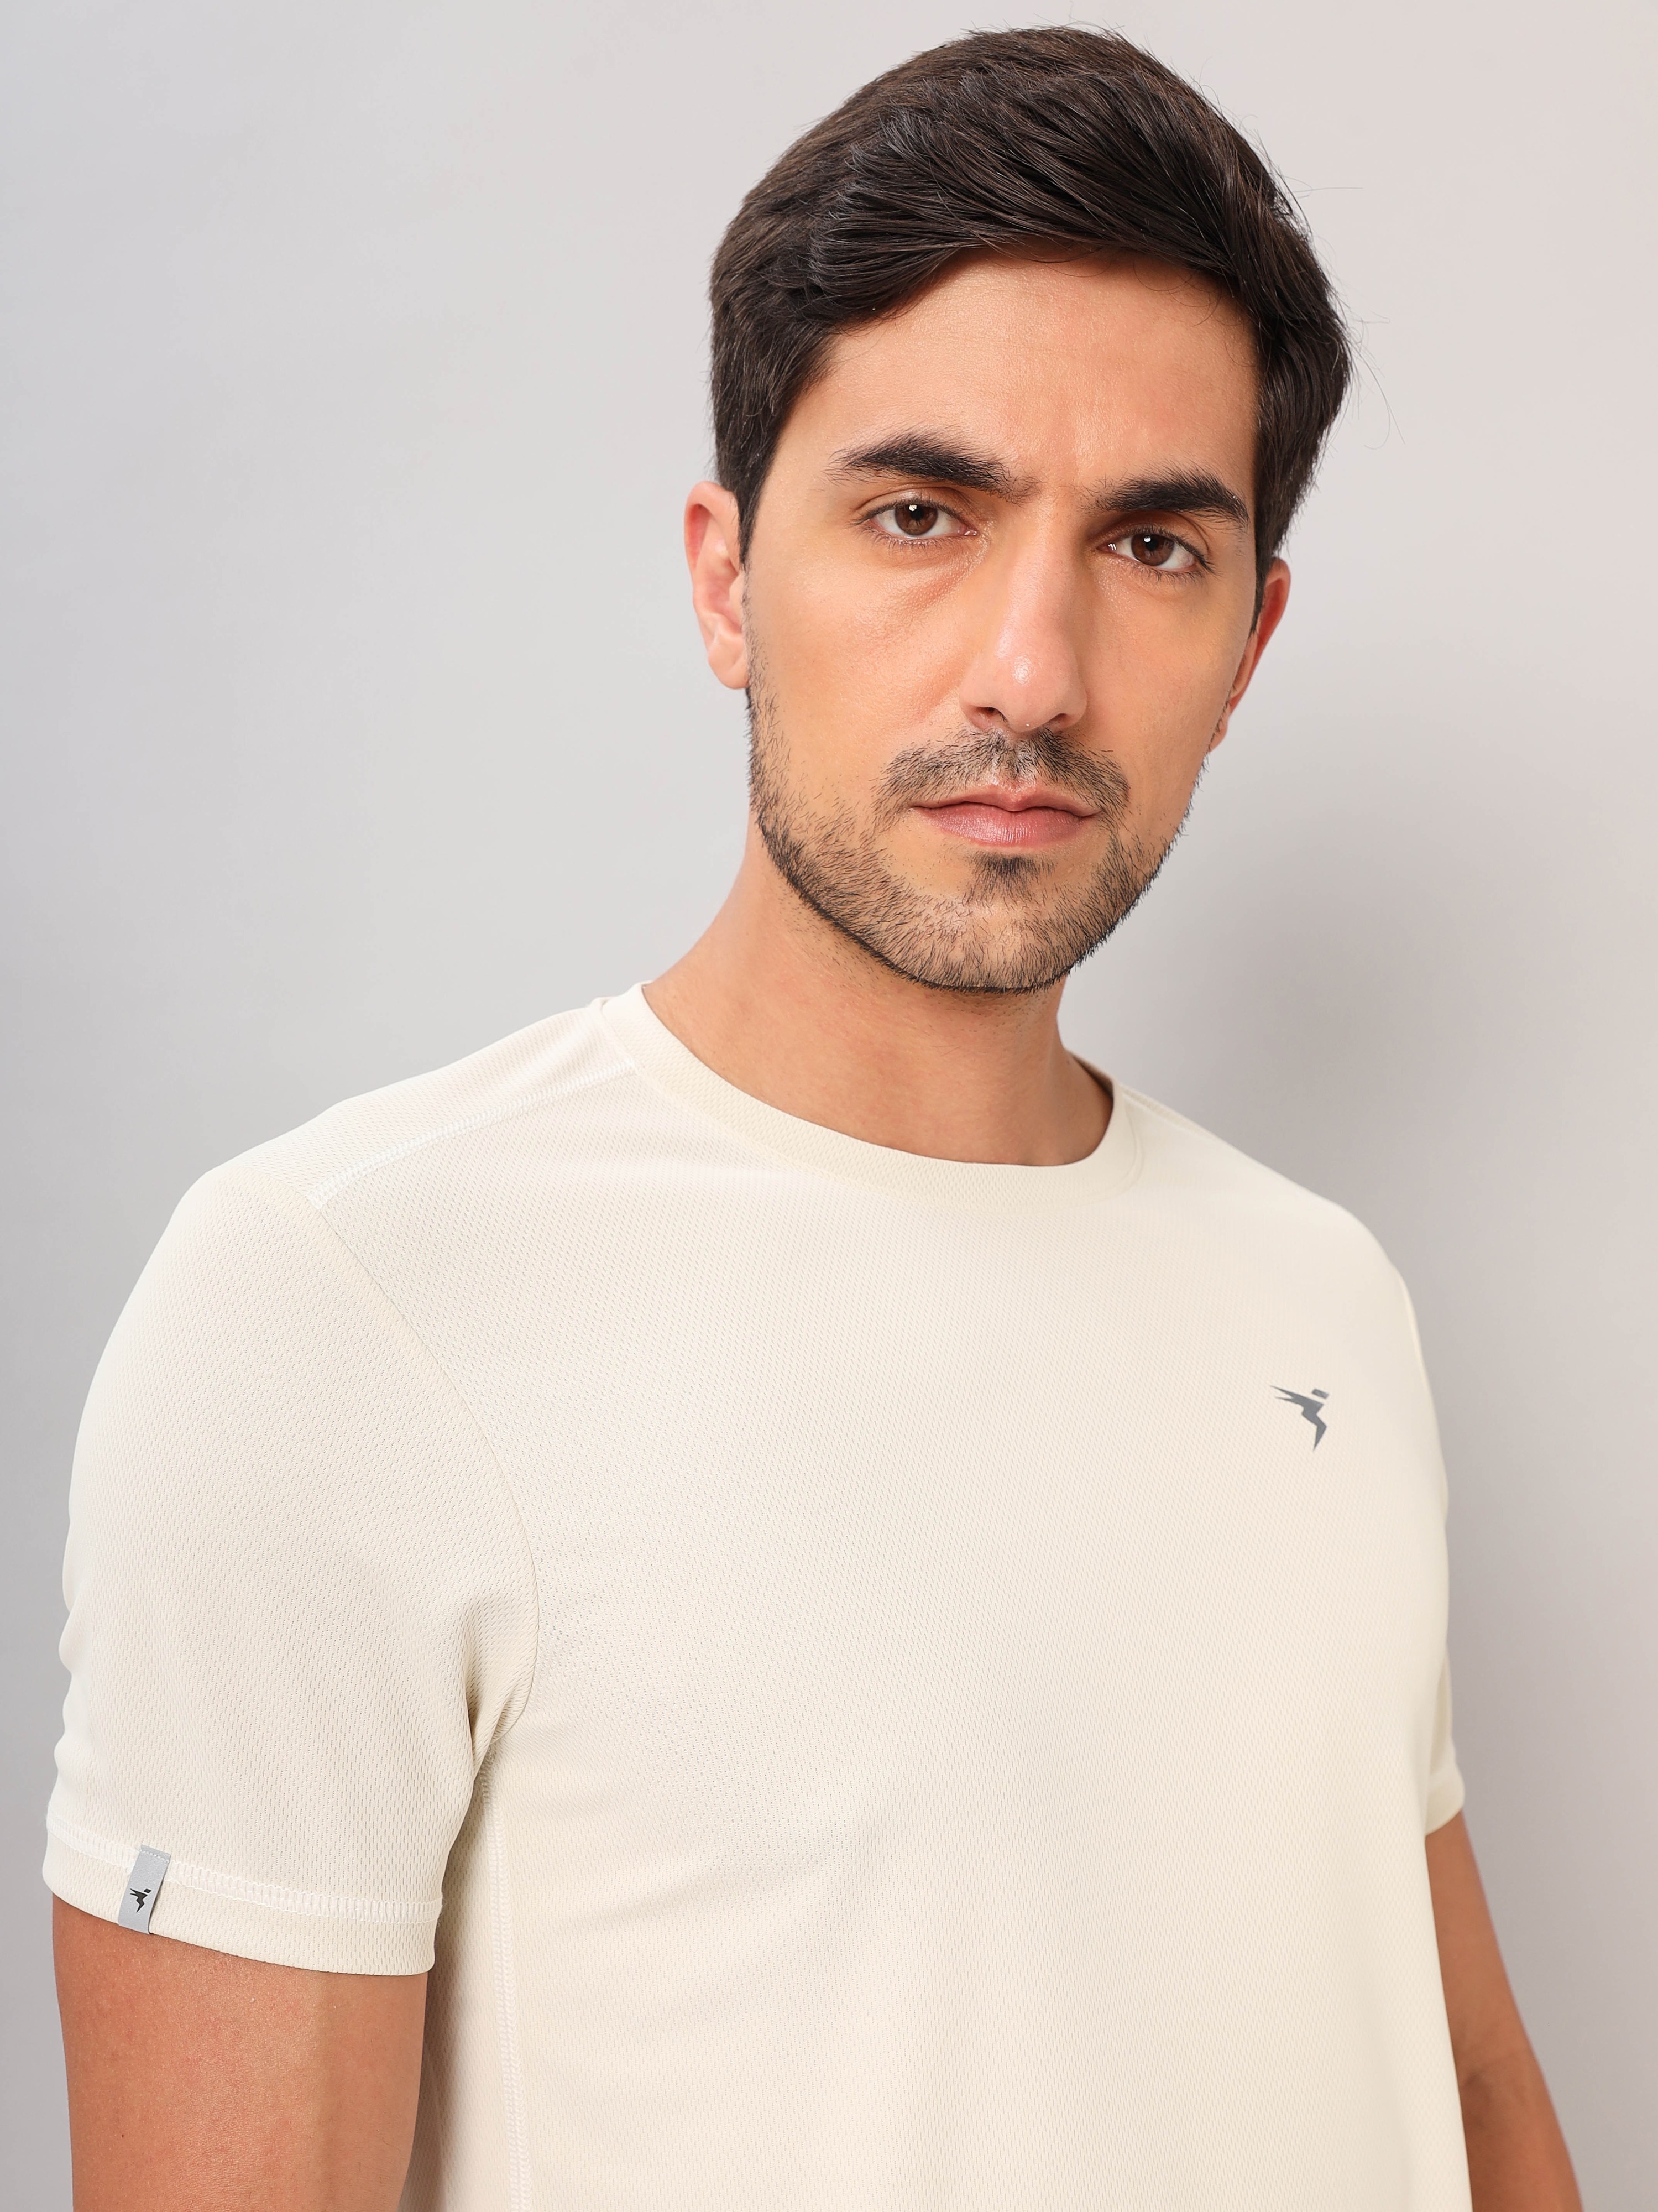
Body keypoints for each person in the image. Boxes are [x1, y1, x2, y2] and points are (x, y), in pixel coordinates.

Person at [47, 27, 1580, 2210]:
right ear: (725, 579)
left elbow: (1467, 2091)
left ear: (1249, 643)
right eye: (920, 515)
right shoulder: (345, 1303)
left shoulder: (1320, 1296)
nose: (1031, 671)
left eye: (1154, 545)